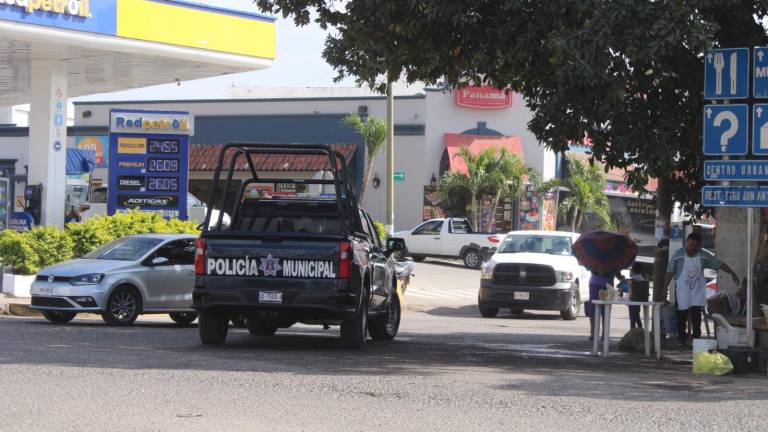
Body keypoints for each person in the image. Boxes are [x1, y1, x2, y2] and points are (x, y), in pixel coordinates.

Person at [664, 232, 739, 346]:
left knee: (696, 317)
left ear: (699, 246)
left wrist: (732, 273)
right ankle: (682, 340)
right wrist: (664, 289)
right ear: (686, 243)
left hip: (696, 292)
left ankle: (697, 340)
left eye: (695, 245)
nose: (692, 247)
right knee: (681, 316)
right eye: (690, 244)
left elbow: (719, 264)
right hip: (682, 292)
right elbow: (669, 272)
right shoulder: (678, 255)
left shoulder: (704, 255)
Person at [587, 272, 618, 340]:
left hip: (596, 283)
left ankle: (594, 334)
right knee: (605, 310)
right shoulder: (613, 261)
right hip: (607, 283)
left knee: (594, 308)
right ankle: (603, 334)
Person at [626, 262, 644, 329]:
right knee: (636, 316)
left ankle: (632, 331)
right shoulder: (641, 278)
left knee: (632, 318)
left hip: (632, 300)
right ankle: (640, 330)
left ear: (632, 270)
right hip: (638, 301)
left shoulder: (632, 279)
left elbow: (628, 288)